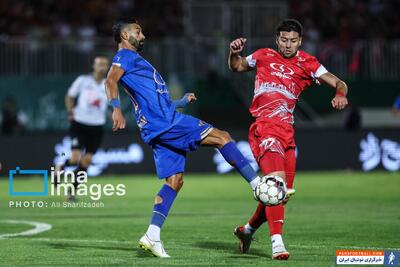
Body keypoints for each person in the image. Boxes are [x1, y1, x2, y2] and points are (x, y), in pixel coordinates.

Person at [105, 17, 262, 258]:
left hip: (157, 126)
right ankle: (257, 185)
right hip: (166, 124)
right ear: (126, 36)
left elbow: (153, 97)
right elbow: (110, 80)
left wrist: (180, 102)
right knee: (223, 137)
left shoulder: (135, 61)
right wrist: (115, 108)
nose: (143, 35)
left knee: (174, 182)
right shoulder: (124, 56)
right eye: (138, 31)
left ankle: (152, 235)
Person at [228, 19, 348, 260]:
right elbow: (238, 67)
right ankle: (277, 244)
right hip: (264, 128)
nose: (288, 45)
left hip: (287, 133)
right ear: (277, 39)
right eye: (284, 39)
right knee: (276, 185)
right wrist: (233, 53)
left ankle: (247, 230)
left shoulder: (308, 63)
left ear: (300, 41)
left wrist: (340, 94)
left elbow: (339, 82)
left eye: (293, 40)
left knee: (279, 193)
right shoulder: (263, 55)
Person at [58, 56, 110, 199]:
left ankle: (71, 191)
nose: (102, 67)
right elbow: (69, 96)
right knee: (75, 159)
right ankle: (60, 167)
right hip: (79, 123)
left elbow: (112, 104)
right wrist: (70, 112)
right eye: (99, 64)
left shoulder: (109, 84)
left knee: (86, 161)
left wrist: (114, 114)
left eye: (105, 65)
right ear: (93, 66)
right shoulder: (83, 80)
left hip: (97, 126)